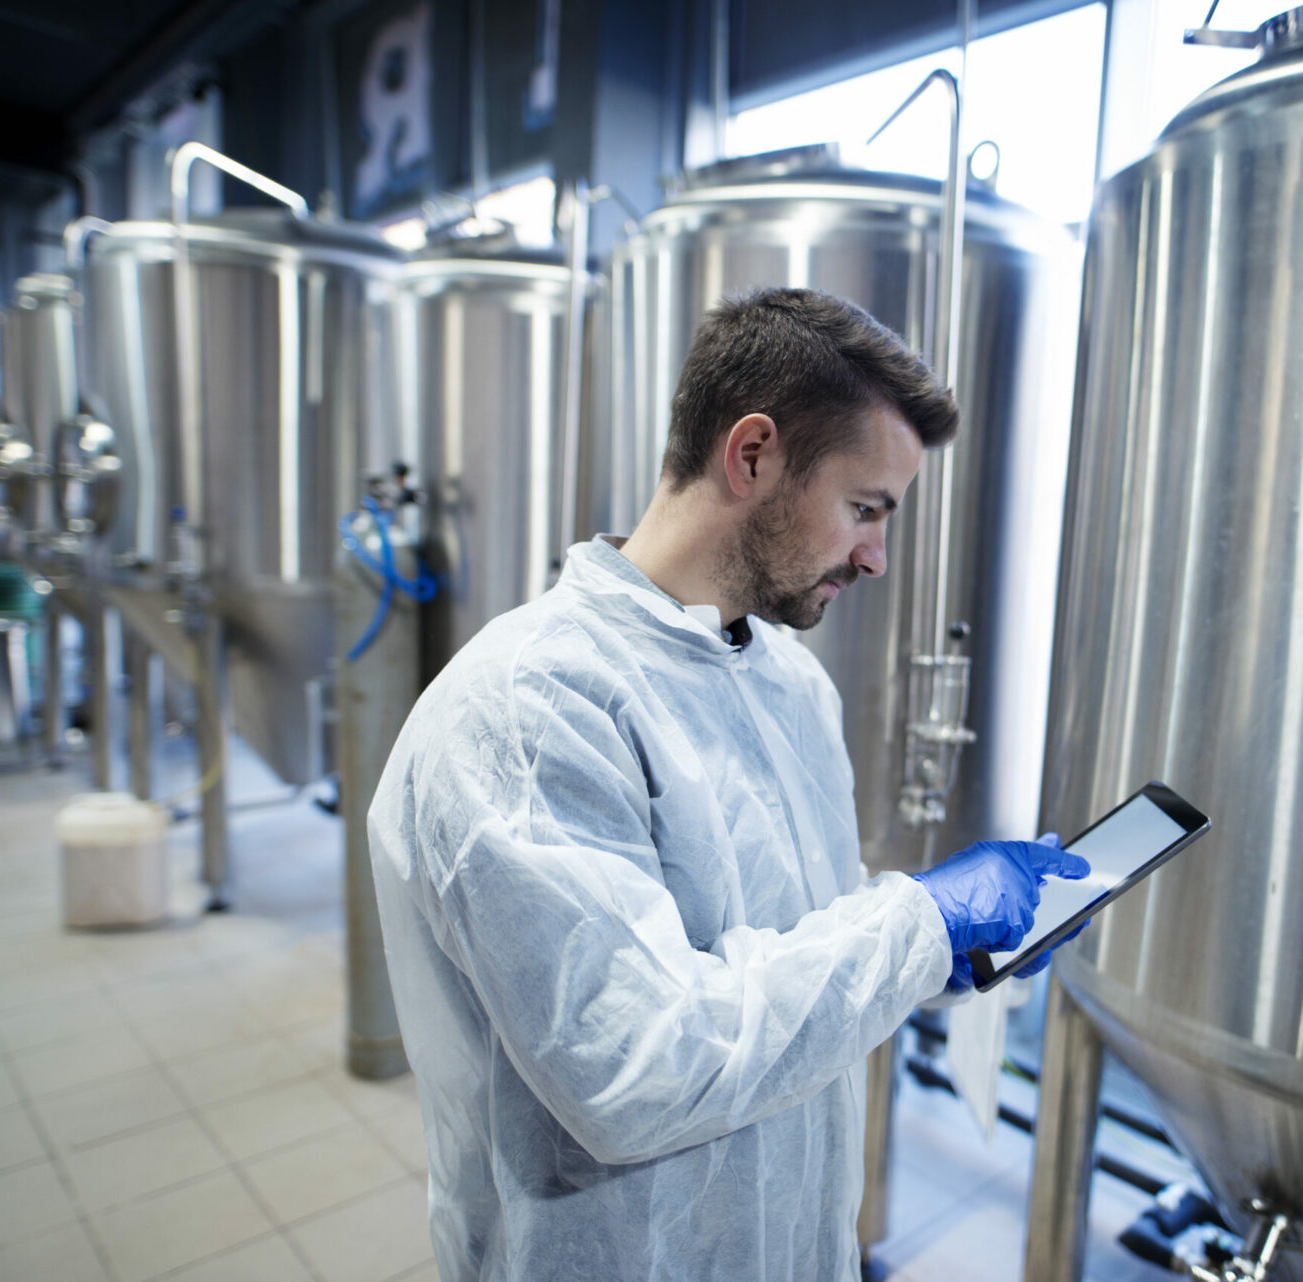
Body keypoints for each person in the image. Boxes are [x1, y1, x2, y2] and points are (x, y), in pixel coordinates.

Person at [368, 286, 1088, 1281]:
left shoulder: (784, 678)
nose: (878, 556)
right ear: (752, 455)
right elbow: (635, 1065)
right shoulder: (528, 713)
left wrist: (932, 958)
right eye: (865, 509)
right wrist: (916, 921)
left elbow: (788, 961)